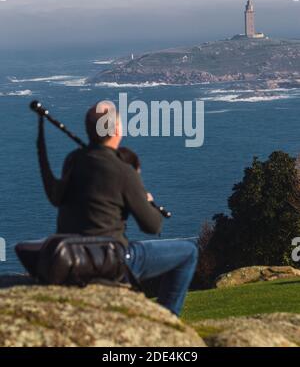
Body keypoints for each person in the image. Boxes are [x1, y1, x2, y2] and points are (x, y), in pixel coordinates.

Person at [37, 102, 198, 316]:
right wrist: (142, 197)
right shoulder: (123, 171)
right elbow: (153, 225)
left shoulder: (73, 161)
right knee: (189, 252)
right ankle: (167, 320)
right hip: (111, 259)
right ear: (115, 130)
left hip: (73, 255)